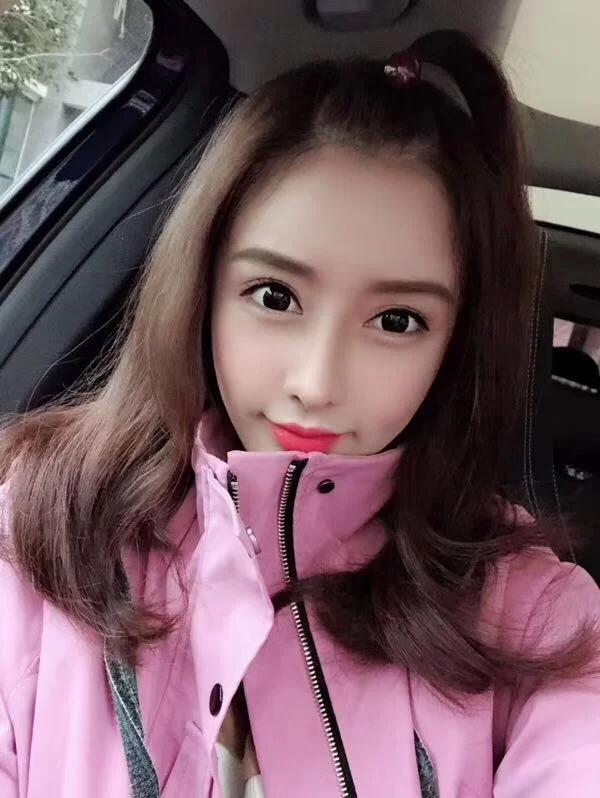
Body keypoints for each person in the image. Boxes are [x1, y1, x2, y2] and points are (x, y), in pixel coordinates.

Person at [0, 29, 599, 798]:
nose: (317, 383)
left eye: (397, 321)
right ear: (204, 289)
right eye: (275, 297)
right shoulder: (41, 535)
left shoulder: (536, 620)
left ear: (458, 342)